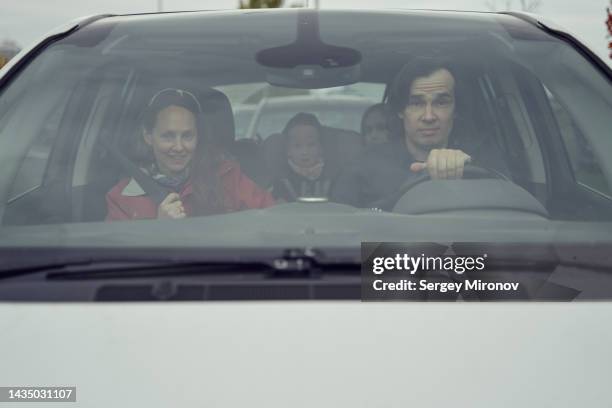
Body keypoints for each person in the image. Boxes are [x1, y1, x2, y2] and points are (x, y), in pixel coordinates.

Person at [331, 56, 505, 208]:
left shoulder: (485, 163)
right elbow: (340, 232)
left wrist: (467, 169)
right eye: (416, 103)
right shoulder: (362, 169)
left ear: (456, 109)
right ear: (400, 110)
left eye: (441, 103)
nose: (429, 116)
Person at [106, 88, 274, 221]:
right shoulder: (122, 197)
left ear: (197, 137)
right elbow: (116, 257)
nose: (179, 147)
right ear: (148, 137)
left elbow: (271, 219)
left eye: (187, 136)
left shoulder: (227, 177)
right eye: (168, 136)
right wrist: (157, 229)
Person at [271, 112, 337, 202]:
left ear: (321, 148)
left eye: (311, 145)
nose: (305, 152)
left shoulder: (333, 176)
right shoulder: (280, 180)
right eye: (297, 146)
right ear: (288, 151)